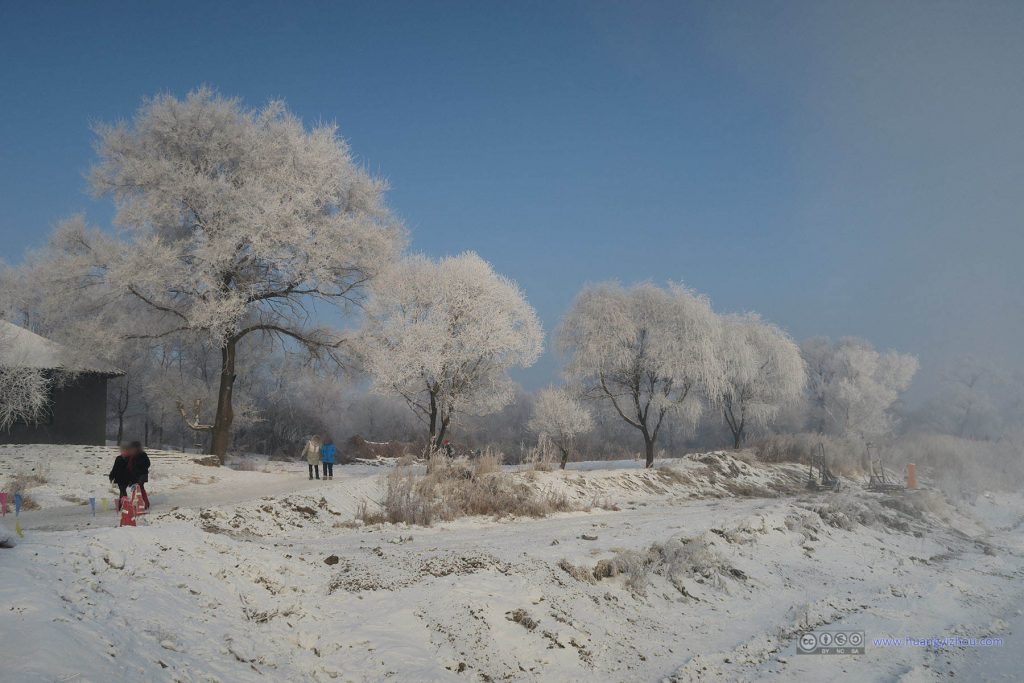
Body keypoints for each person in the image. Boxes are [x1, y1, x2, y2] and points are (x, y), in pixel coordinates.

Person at [108, 441, 150, 511]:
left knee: (139, 489)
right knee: (123, 491)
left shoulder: (140, 455)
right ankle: (124, 505)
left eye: (127, 450)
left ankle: (144, 503)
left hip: (139, 475)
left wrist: (138, 470)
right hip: (122, 478)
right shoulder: (120, 458)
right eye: (123, 451)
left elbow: (146, 464)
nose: (125, 452)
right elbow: (115, 469)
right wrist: (112, 476)